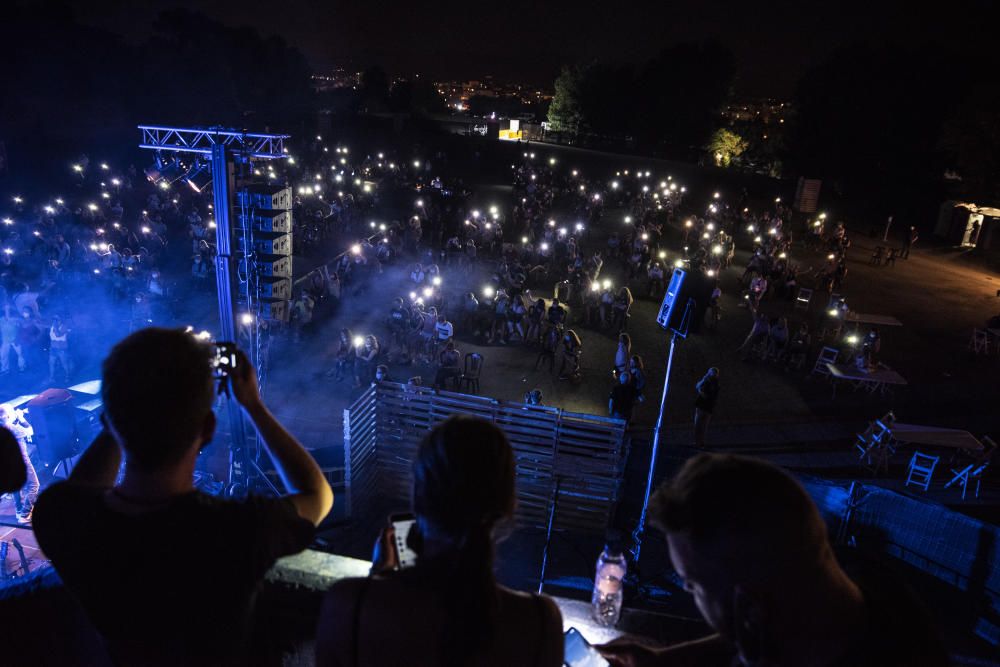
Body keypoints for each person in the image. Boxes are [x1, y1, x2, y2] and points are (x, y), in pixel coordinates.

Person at [32, 328, 333, 666]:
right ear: (207, 429)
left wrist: (125, 409)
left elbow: (82, 490)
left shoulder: (59, 516)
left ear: (108, 419)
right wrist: (253, 405)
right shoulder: (236, 531)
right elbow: (317, 494)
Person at [599, 454, 948, 667]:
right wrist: (666, 662)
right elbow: (751, 630)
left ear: (750, 606)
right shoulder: (849, 583)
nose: (689, 592)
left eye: (692, 584)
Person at [315, 416, 563, 667]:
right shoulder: (540, 622)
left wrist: (378, 578)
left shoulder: (349, 604)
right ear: (508, 506)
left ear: (417, 494)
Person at [0, 404, 38, 524]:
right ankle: (25, 514)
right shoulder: (12, 428)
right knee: (34, 485)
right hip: (21, 461)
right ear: (7, 415)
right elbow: (30, 430)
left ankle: (19, 510)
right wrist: (21, 418)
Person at [694, 367, 719, 448]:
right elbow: (698, 386)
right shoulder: (707, 381)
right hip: (703, 405)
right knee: (699, 424)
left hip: (707, 405)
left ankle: (700, 442)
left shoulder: (714, 383)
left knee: (703, 425)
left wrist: (701, 392)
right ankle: (699, 441)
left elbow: (709, 394)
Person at [47, 315, 72, 383]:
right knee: (51, 363)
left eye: (57, 319)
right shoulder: (52, 326)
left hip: (62, 349)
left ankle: (68, 376)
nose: (55, 321)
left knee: (64, 363)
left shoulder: (64, 327)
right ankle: (51, 377)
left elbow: (58, 334)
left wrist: (55, 326)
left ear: (61, 319)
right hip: (53, 348)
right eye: (54, 319)